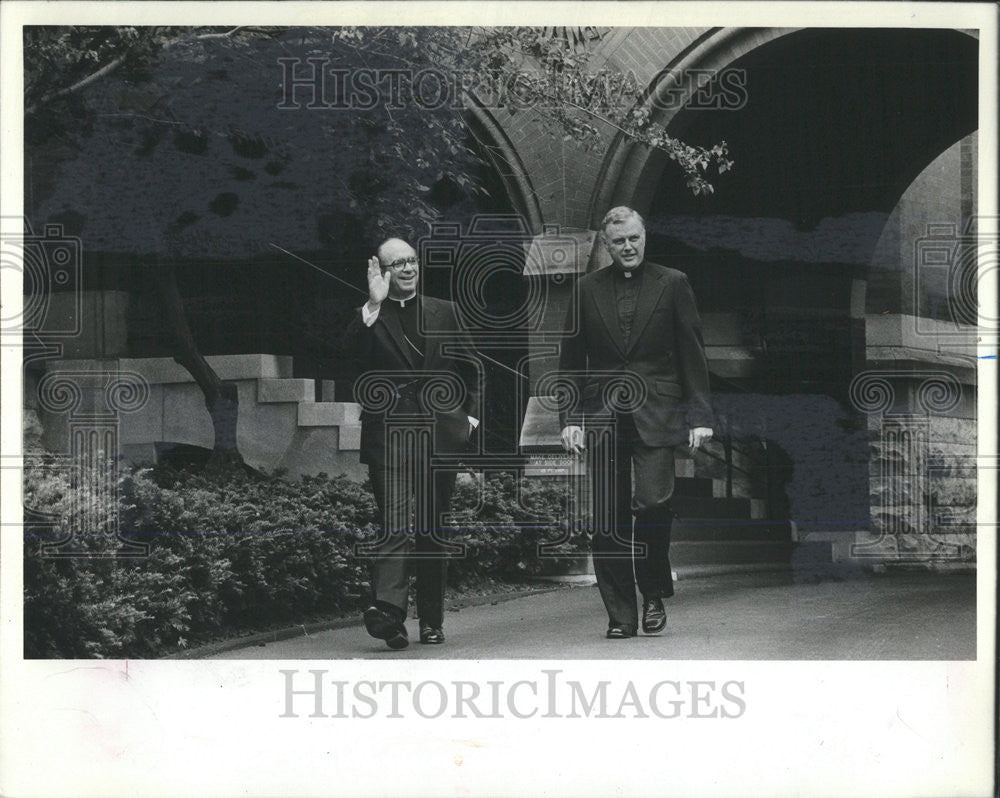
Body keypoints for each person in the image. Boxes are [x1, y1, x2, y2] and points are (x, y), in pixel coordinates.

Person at [558, 207, 713, 639]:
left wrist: (699, 416)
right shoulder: (586, 290)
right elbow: (570, 361)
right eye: (618, 242)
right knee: (607, 517)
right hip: (602, 415)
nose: (627, 247)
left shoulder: (673, 283)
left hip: (658, 413)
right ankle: (620, 614)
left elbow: (691, 353)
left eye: (634, 239)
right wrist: (570, 418)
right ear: (606, 246)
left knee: (652, 503)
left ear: (644, 238)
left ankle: (653, 590)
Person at [343, 238, 480, 649]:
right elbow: (349, 357)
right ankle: (389, 613)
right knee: (395, 525)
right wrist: (371, 306)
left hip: (440, 434)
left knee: (432, 529)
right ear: (382, 272)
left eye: (411, 261)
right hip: (390, 435)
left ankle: (432, 621)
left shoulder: (446, 311)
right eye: (397, 263)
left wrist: (469, 418)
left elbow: (474, 368)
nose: (407, 268)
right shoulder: (369, 315)